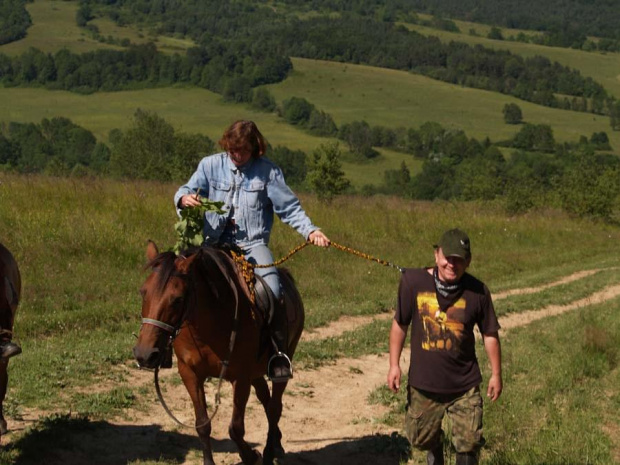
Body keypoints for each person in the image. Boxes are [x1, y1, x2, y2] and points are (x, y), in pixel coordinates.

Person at [174, 120, 330, 382]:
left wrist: (311, 231)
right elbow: (186, 190)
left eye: (243, 151)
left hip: (252, 245)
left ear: (255, 148)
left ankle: (277, 356)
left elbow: (289, 208)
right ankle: (170, 345)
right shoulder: (209, 165)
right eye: (232, 150)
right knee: (176, 279)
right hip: (211, 244)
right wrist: (184, 199)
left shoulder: (268, 172)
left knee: (273, 289)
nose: (237, 156)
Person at [387, 228, 502, 465]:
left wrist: (496, 374)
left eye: (459, 260)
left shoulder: (478, 292)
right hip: (424, 383)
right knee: (419, 438)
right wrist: (393, 365)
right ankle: (435, 449)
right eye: (448, 258)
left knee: (469, 442)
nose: (452, 264)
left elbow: (490, 333)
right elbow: (399, 324)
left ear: (468, 262)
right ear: (437, 255)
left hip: (464, 384)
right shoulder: (413, 282)